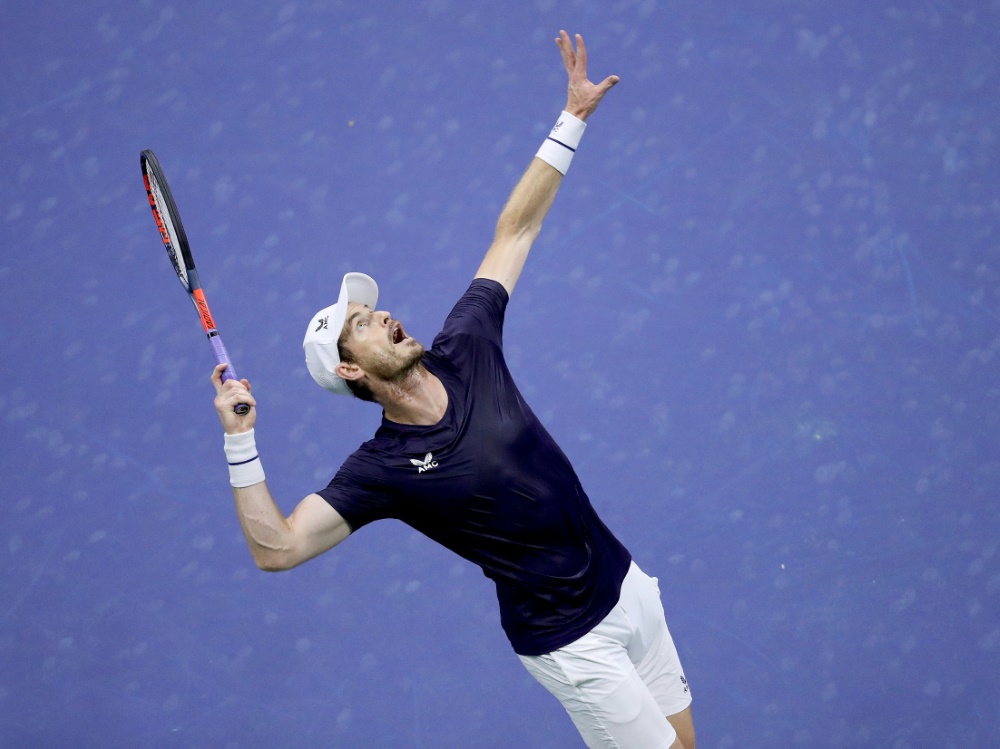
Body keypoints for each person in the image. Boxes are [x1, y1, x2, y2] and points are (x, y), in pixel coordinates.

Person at [211, 30, 695, 749]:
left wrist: (571, 118)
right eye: (361, 324)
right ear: (352, 370)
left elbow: (517, 228)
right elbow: (276, 549)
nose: (380, 314)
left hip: (626, 588)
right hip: (568, 640)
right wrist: (240, 440)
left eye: (372, 307)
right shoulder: (381, 471)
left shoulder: (467, 343)